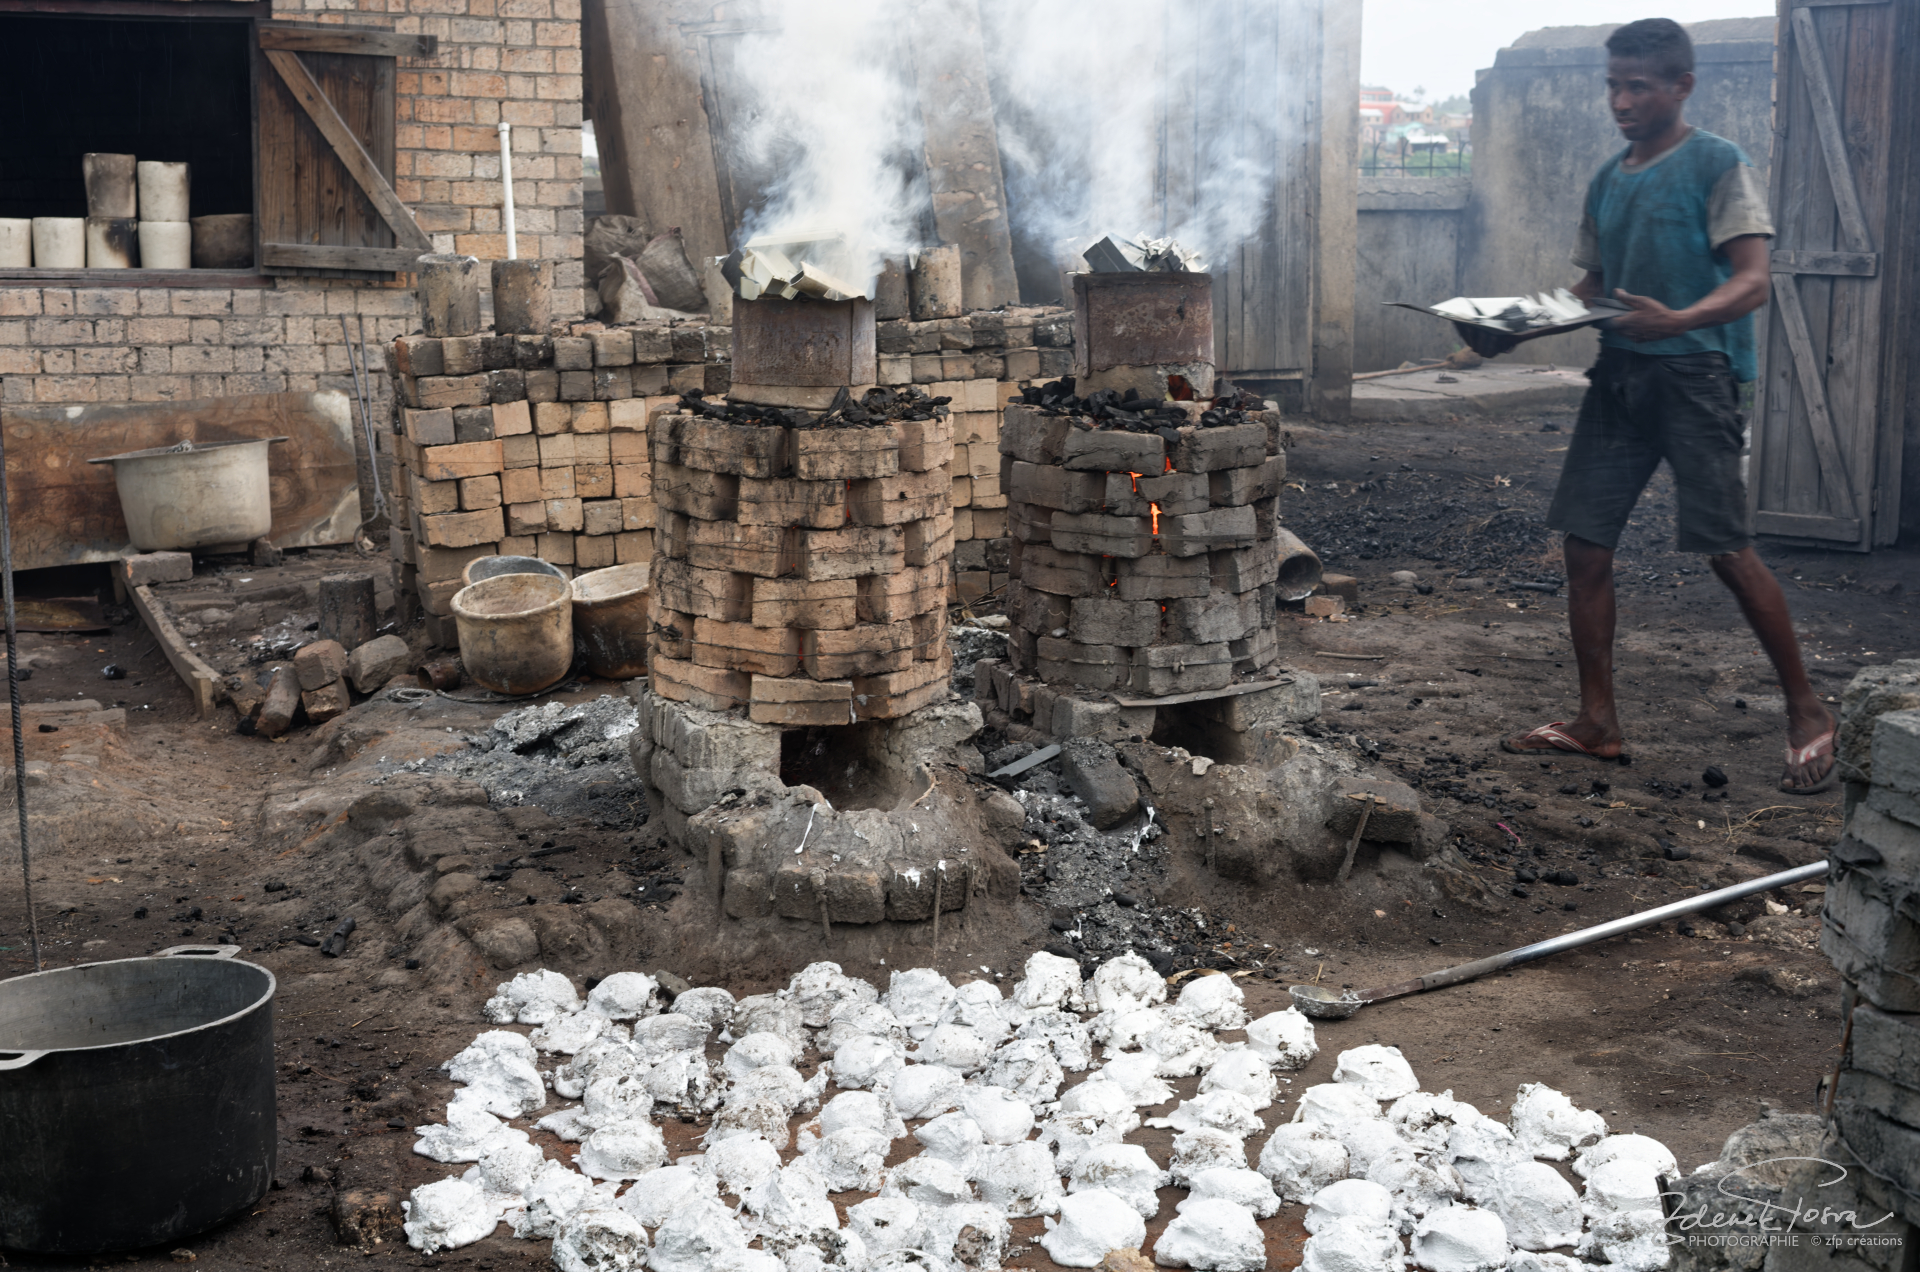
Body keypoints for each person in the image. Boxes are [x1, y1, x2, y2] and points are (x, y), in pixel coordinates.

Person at [1495, 17, 1835, 793]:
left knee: (1724, 548)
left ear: (1682, 85)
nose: (1620, 100)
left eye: (1638, 85)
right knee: (1584, 546)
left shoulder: (1719, 164)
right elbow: (1588, 290)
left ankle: (1808, 710)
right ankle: (1597, 723)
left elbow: (1753, 280)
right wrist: (1507, 329)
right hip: (1621, 379)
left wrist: (1676, 319)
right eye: (1612, 85)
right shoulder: (1610, 177)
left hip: (1695, 377)